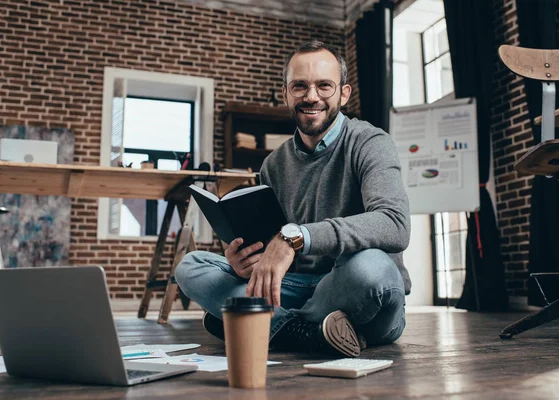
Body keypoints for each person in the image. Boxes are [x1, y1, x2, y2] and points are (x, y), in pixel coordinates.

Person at [175, 40, 411, 358]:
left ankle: (257, 322)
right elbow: (273, 251)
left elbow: (394, 225)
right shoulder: (274, 163)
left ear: (343, 93)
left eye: (324, 86)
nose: (311, 96)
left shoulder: (371, 142)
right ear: (286, 93)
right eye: (299, 86)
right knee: (192, 265)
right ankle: (306, 333)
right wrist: (246, 263)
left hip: (356, 289)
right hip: (297, 287)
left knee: (371, 268)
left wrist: (297, 237)